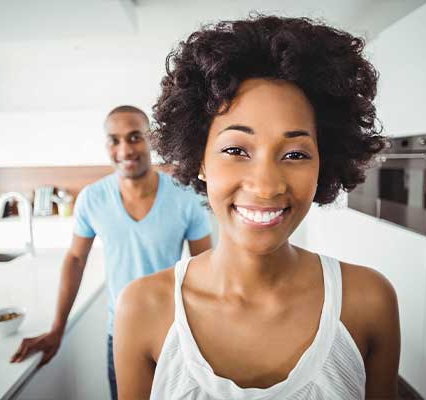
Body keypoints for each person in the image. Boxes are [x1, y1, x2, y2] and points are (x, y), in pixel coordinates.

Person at [114, 16, 401, 400]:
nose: (266, 186)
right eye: (236, 150)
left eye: (296, 153)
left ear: (324, 162)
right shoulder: (142, 309)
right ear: (200, 159)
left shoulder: (369, 302)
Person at [10, 105, 213, 400]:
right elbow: (76, 260)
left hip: (175, 333)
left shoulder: (185, 196)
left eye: (134, 137)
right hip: (120, 333)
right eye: (114, 140)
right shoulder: (92, 198)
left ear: (152, 139)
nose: (124, 149)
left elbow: (204, 267)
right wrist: (57, 329)